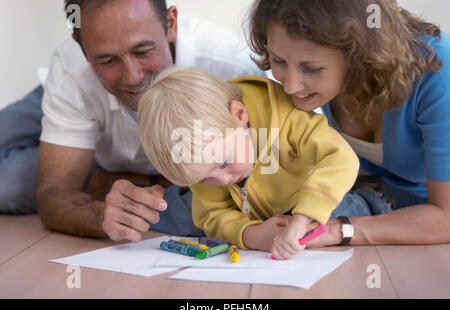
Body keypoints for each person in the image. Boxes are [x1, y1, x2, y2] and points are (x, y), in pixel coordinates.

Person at [0, 0, 265, 242]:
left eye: (143, 50)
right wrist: (101, 214)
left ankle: (102, 174)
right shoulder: (72, 72)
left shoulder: (232, 67)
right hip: (70, 101)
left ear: (171, 25)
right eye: (107, 60)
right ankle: (90, 163)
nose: (132, 76)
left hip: (105, 145)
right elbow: (55, 191)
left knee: (8, 185)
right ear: (81, 48)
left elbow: (269, 174)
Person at [247, 0, 450, 247]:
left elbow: (446, 216)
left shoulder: (438, 75)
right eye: (279, 61)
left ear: (358, 54)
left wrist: (339, 230)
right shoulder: (319, 87)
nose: (290, 86)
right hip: (384, 208)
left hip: (431, 225)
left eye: (311, 68)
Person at [137, 66, 359, 259]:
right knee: (192, 219)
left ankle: (374, 200)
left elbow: (341, 160)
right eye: (205, 178)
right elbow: (211, 214)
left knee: (343, 212)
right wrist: (251, 235)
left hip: (316, 199)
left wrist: (302, 219)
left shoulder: (288, 119)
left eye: (224, 162)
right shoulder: (204, 160)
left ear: (239, 114)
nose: (224, 179)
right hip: (256, 215)